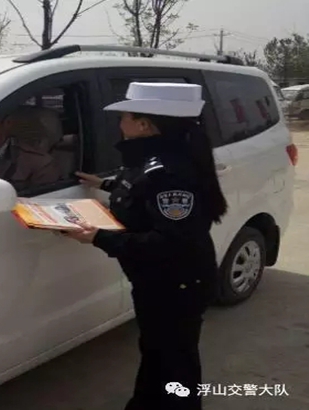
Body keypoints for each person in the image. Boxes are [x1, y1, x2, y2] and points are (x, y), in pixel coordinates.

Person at [64, 82, 228, 410]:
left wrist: (98, 237)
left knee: (175, 365)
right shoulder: (155, 159)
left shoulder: (170, 172)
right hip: (160, 281)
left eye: (124, 116)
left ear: (144, 124)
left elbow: (170, 242)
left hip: (177, 284)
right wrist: (106, 184)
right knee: (157, 352)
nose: (119, 123)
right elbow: (141, 189)